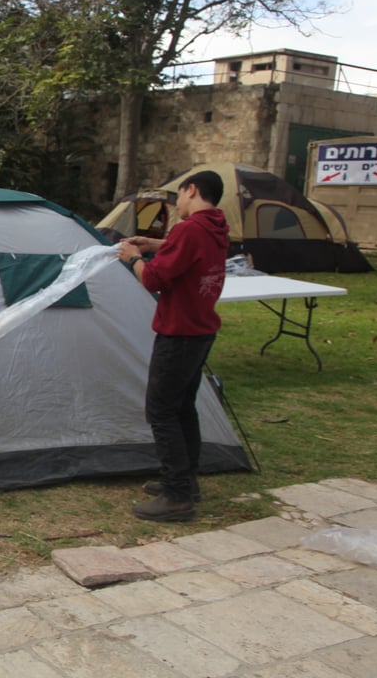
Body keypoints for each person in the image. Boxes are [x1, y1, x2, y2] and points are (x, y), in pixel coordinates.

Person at [117, 170, 229, 522]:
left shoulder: (190, 229)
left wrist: (133, 259)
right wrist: (154, 246)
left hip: (179, 333)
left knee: (161, 410)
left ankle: (177, 496)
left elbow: (153, 278)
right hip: (200, 331)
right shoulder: (215, 227)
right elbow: (189, 254)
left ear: (191, 190)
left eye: (178, 196)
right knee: (182, 408)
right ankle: (186, 481)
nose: (176, 204)